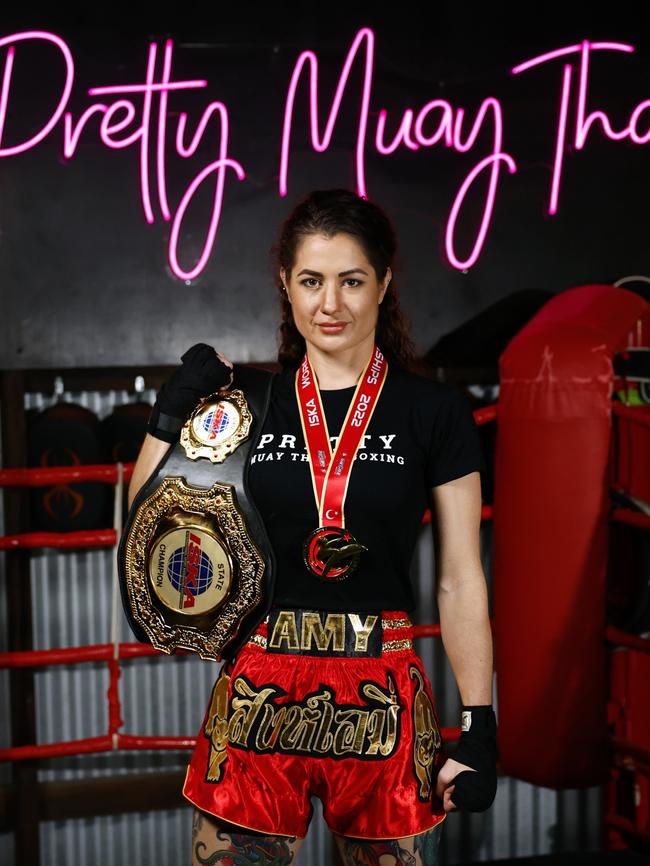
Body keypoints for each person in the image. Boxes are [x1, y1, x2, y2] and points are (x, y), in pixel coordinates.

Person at [128, 189, 497, 866]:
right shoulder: (246, 404)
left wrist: (478, 726)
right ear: (285, 286)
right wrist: (166, 418)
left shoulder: (435, 412)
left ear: (384, 283)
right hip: (258, 689)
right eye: (312, 281)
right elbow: (152, 524)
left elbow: (460, 579)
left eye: (352, 280)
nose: (331, 304)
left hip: (381, 693)